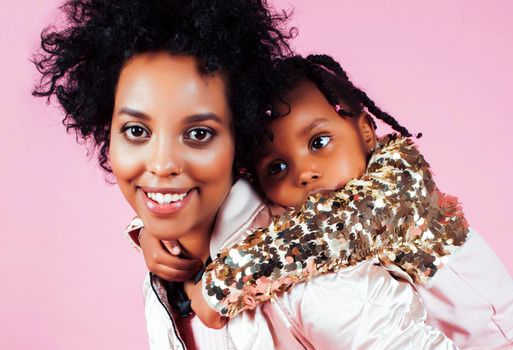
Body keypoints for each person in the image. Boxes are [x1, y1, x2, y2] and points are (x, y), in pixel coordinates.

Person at [34, 0, 457, 349]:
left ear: (241, 144)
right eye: (136, 131)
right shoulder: (168, 263)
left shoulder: (314, 278)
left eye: (198, 133)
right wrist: (146, 235)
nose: (161, 164)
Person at [192, 55, 511, 349]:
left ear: (366, 132)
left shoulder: (395, 191)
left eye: (318, 142)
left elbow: (320, 236)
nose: (304, 173)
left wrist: (220, 286)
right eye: (277, 167)